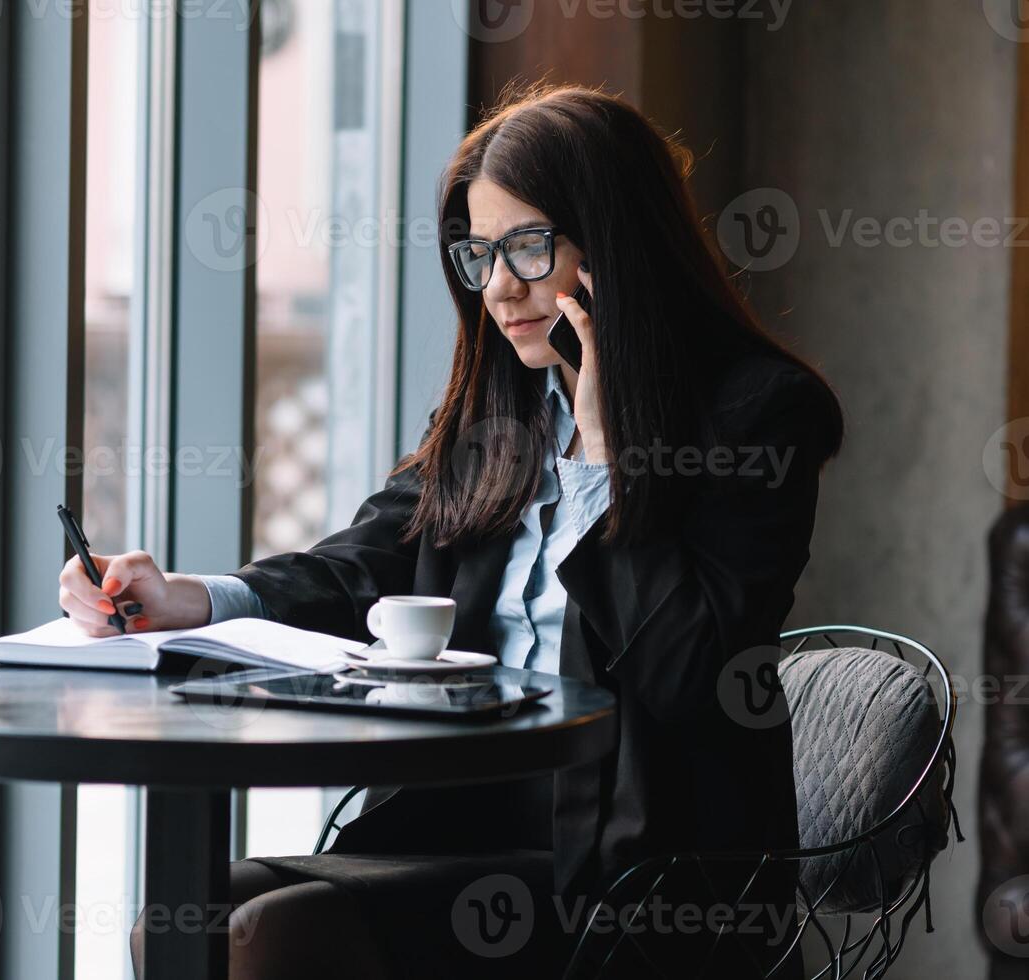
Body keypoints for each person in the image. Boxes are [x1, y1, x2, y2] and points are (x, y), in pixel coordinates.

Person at [60, 83, 844, 979]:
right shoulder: (503, 406)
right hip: (464, 818)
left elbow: (687, 668)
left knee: (270, 940)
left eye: (529, 247)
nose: (500, 286)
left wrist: (599, 467)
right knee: (177, 922)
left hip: (643, 868)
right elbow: (367, 563)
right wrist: (190, 598)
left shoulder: (758, 416)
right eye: (480, 254)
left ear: (616, 246)